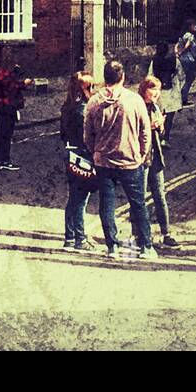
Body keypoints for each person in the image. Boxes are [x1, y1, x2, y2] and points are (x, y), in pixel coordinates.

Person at [83, 60, 157, 260]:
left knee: (107, 204)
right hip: (130, 161)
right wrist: (141, 154)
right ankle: (146, 247)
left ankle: (112, 247)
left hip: (103, 162)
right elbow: (145, 132)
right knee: (138, 204)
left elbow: (87, 135)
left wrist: (95, 151)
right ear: (122, 77)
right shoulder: (134, 100)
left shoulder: (94, 102)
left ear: (104, 77)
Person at [137, 76, 180, 249]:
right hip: (141, 158)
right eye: (152, 89)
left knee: (160, 195)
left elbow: (160, 136)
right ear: (144, 90)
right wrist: (151, 126)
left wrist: (161, 128)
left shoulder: (157, 106)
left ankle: (166, 233)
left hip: (155, 157)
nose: (156, 93)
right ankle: (139, 234)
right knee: (139, 198)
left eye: (158, 89)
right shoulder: (137, 106)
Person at [60, 72, 99, 251]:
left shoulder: (67, 107)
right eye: (92, 87)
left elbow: (62, 135)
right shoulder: (83, 110)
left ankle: (70, 237)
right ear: (86, 89)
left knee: (73, 198)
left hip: (70, 154)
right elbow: (90, 137)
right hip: (83, 156)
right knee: (80, 201)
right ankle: (80, 239)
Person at [0, 42, 30, 171]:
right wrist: (24, 83)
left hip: (1, 104)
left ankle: (0, 160)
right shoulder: (0, 69)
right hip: (7, 104)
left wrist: (16, 71)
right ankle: (4, 160)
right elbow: (10, 85)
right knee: (6, 133)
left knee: (3, 133)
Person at [147, 40, 182, 143]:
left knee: (158, 115)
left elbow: (150, 76)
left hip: (159, 92)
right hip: (171, 92)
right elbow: (181, 75)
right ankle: (165, 138)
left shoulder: (154, 61)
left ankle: (158, 136)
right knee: (170, 117)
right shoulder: (174, 60)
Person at [176, 20, 196, 106]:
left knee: (185, 78)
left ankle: (182, 97)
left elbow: (177, 45)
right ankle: (184, 98)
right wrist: (182, 51)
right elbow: (187, 45)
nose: (195, 27)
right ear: (190, 26)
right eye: (194, 25)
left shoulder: (182, 35)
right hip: (189, 59)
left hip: (184, 59)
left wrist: (178, 53)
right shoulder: (190, 35)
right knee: (189, 78)